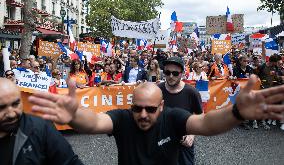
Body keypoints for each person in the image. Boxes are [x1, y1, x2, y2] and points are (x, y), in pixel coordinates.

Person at [29, 78, 284, 165]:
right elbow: (95, 122)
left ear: (161, 107)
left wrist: (236, 112)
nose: (142, 115)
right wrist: (74, 115)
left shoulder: (173, 118)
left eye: (150, 109)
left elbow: (206, 124)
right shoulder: (122, 118)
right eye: (136, 108)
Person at [0, 78, 83, 165]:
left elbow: (70, 162)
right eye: (1, 107)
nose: (11, 114)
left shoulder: (41, 128)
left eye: (15, 104)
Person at [158, 56, 203, 165]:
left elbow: (199, 115)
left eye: (175, 73)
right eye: (167, 72)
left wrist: (192, 135)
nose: (170, 76)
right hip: (162, 142)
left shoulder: (192, 92)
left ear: (182, 73)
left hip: (183, 144)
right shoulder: (157, 90)